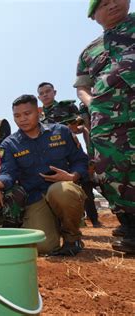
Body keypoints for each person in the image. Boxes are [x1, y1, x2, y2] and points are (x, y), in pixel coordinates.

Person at [0, 95, 88, 256]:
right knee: (42, 247)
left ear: (39, 111)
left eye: (27, 113)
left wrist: (73, 176)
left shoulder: (62, 131)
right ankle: (54, 226)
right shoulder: (10, 144)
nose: (22, 119)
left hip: (62, 190)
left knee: (62, 192)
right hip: (35, 197)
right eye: (17, 116)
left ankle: (72, 238)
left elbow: (81, 160)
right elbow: (8, 174)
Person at [74, 0, 134, 254]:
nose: (112, 5)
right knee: (110, 171)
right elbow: (82, 86)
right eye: (103, 4)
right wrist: (93, 105)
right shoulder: (90, 51)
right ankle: (130, 226)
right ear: (94, 15)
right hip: (107, 122)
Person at [38, 82, 102, 228]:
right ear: (38, 97)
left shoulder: (66, 107)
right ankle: (71, 222)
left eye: (47, 91)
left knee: (85, 185)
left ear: (54, 92)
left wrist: (73, 128)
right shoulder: (39, 116)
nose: (45, 95)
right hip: (53, 156)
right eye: (41, 93)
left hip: (71, 152)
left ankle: (94, 220)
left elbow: (81, 127)